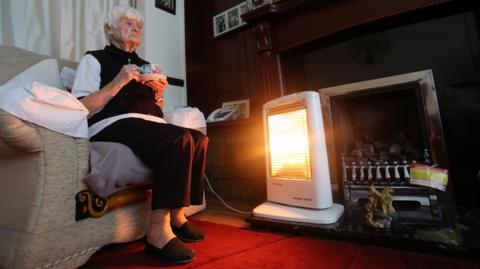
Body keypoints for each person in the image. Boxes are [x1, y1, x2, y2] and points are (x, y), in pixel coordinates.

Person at [72, 5, 208, 264]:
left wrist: (158, 93)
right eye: (128, 23)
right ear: (110, 29)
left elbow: (154, 113)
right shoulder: (94, 59)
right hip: (110, 123)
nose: (136, 28)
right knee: (178, 139)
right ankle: (157, 232)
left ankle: (179, 215)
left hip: (145, 124)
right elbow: (82, 107)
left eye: (139, 25)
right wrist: (118, 81)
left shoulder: (146, 66)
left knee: (198, 138)